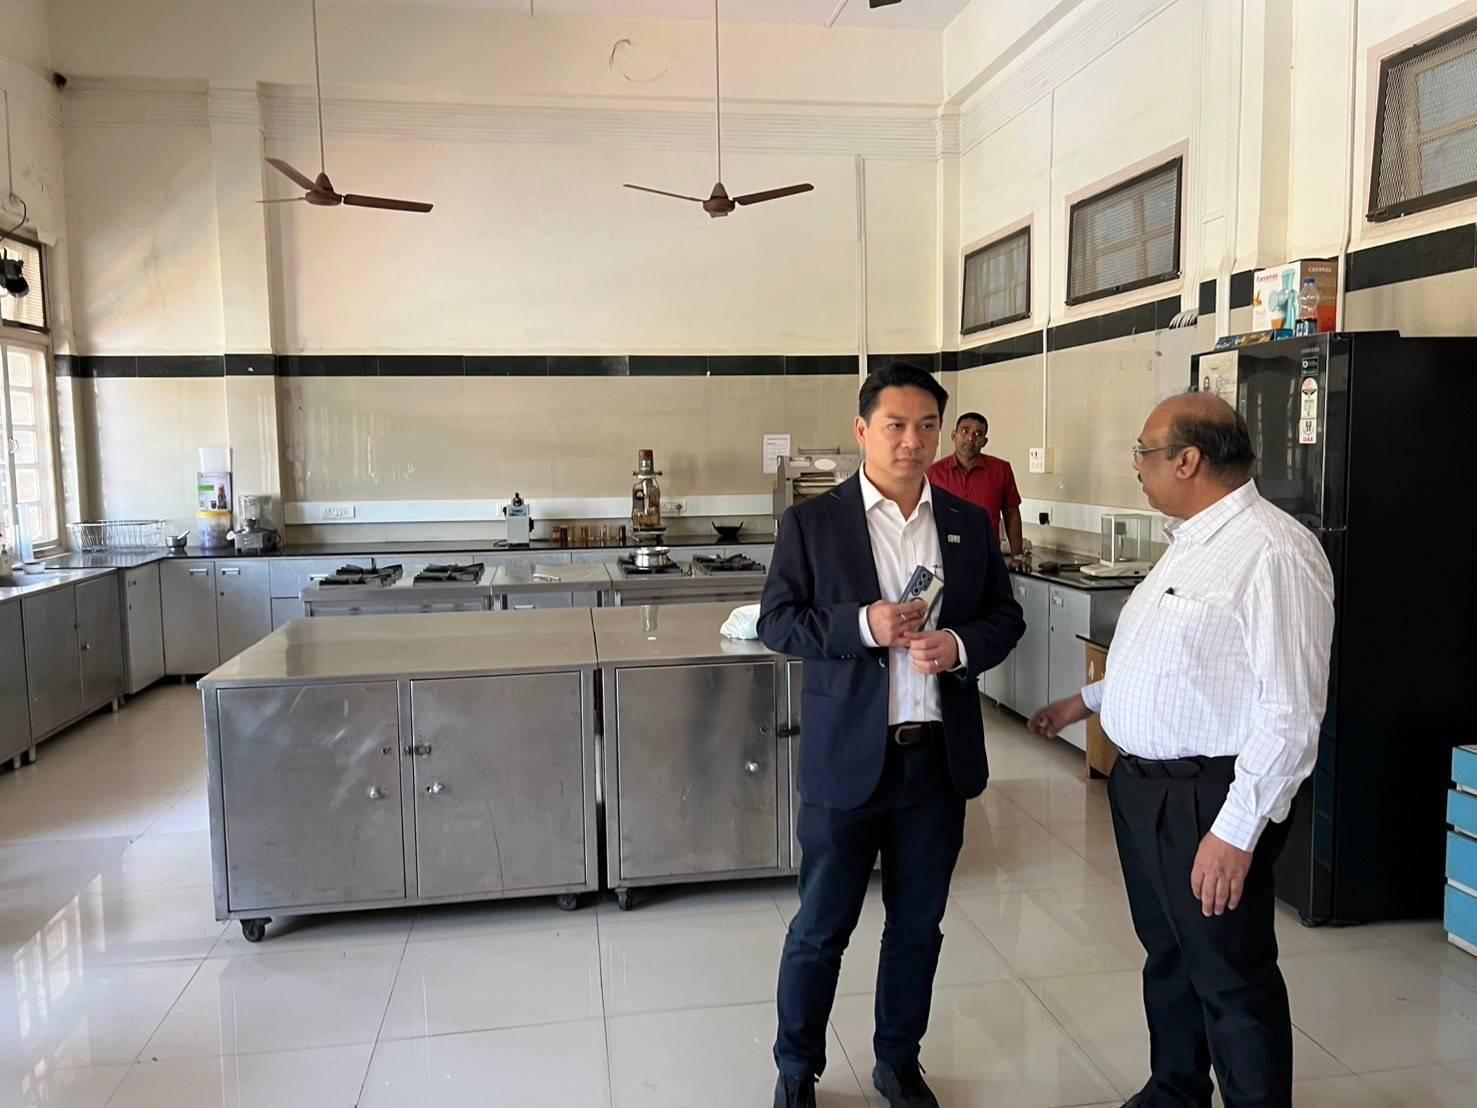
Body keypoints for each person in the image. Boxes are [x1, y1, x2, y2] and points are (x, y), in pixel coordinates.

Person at [1029, 392, 1334, 1108]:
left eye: (1143, 452)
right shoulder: (1191, 541)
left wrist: (1234, 833)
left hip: (1208, 798)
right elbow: (1173, 663)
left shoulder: (1272, 553)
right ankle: (1175, 1090)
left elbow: (1291, 715)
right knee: (1167, 955)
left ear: (1187, 460)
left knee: (1229, 973)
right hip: (1145, 789)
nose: (1136, 465)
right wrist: (1086, 702)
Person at [759, 362, 1025, 1108]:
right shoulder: (813, 524)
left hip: (935, 763)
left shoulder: (965, 523)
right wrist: (861, 625)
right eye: (895, 425)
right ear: (862, 430)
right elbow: (777, 621)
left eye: (926, 426)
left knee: (917, 927)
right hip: (846, 763)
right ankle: (795, 1069)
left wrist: (961, 646)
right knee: (820, 928)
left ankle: (897, 1063)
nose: (912, 441)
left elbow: (1005, 618)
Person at [925, 411, 1026, 568]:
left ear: (984, 442)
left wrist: (1017, 555)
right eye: (965, 431)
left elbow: (1011, 513)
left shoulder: (1001, 470)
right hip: (944, 562)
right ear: (954, 435)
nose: (970, 438)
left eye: (978, 434)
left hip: (987, 561)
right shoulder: (933, 473)